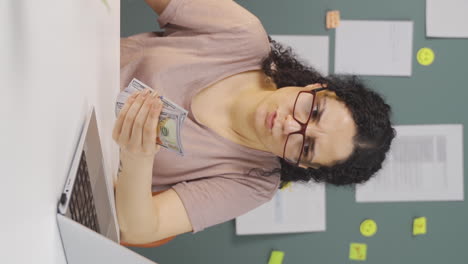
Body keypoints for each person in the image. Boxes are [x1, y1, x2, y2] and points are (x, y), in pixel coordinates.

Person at [113, 0, 396, 245]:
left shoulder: (254, 183)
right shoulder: (242, 35)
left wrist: (137, 157)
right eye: (313, 111)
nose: (289, 125)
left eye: (306, 146)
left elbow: (137, 228)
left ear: (303, 165)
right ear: (315, 87)